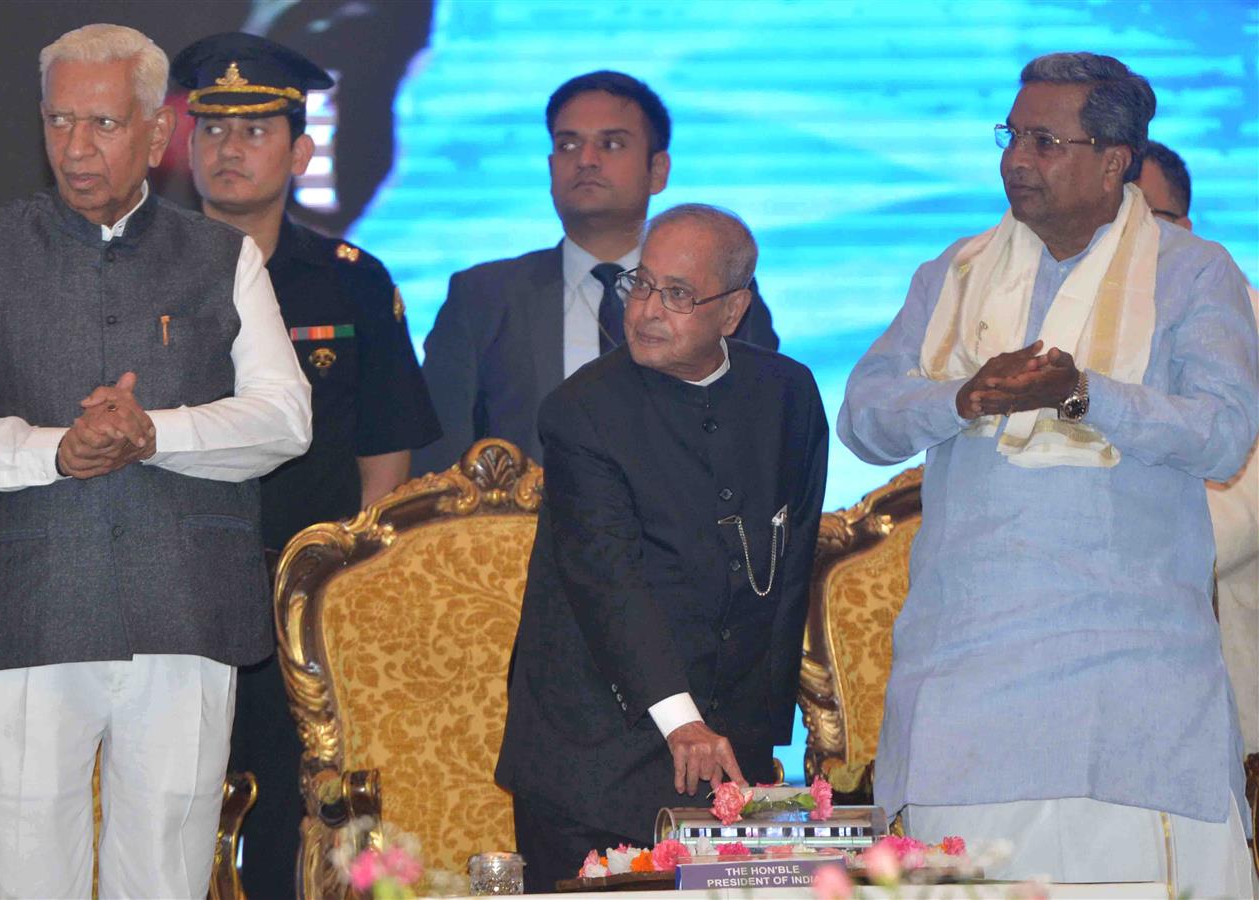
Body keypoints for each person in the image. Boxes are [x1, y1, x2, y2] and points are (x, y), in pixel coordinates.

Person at [0, 24, 311, 898]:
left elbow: (285, 420)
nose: (76, 148)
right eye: (58, 123)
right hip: (26, 608)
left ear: (157, 135)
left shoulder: (225, 258)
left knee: (164, 881)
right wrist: (56, 450)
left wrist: (154, 434)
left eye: (101, 123)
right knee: (24, 883)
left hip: (185, 612)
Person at [837, 53, 1256, 894]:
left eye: (1045, 141)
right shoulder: (954, 273)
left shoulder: (1194, 274)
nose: (1016, 159)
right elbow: (864, 420)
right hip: (967, 683)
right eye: (1012, 135)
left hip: (1129, 688)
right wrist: (962, 397)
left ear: (1114, 161)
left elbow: (1224, 435)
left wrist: (1085, 395)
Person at [171, 31, 442, 897]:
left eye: (254, 131)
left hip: (305, 601)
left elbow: (384, 456)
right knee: (169, 809)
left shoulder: (351, 281)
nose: (229, 149)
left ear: (301, 151)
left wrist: (351, 592)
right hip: (171, 590)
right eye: (212, 130)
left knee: (306, 820)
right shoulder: (141, 278)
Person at [495, 204, 828, 892]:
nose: (647, 310)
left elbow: (787, 572)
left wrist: (761, 738)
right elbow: (606, 579)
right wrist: (683, 723)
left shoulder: (786, 394)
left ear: (733, 311)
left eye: (677, 295)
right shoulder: (582, 410)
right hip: (592, 753)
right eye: (640, 285)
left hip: (725, 754)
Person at [415, 71, 779, 471]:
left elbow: (761, 438)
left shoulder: (716, 290)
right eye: (568, 144)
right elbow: (437, 465)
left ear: (657, 171)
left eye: (611, 144)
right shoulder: (482, 296)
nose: (586, 160)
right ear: (551, 168)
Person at [1138, 139, 1258, 759]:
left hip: (1224, 661)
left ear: (1183, 228)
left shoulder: (1248, 324)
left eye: (1143, 217)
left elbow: (1239, 513)